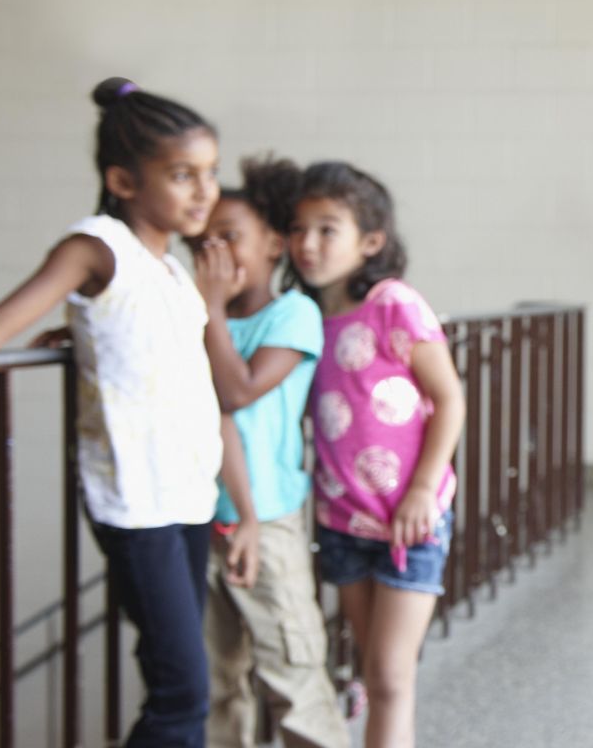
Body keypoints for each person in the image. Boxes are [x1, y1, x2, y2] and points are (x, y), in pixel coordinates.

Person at [0, 78, 255, 748]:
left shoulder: (176, 272)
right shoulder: (98, 245)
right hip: (136, 501)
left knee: (182, 677)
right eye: (182, 175)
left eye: (210, 174)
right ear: (123, 180)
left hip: (185, 494)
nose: (204, 191)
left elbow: (171, 364)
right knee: (182, 693)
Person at [288, 161, 464, 748]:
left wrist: (422, 489)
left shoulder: (394, 303)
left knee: (390, 676)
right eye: (299, 228)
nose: (307, 244)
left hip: (409, 519)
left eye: (327, 229)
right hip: (342, 520)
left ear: (370, 241)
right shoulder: (306, 317)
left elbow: (449, 398)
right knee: (372, 669)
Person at [192, 156, 349, 748]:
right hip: (200, 518)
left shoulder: (293, 313)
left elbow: (237, 390)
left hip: (267, 520)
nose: (214, 254)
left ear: (274, 246)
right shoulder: (198, 318)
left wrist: (209, 308)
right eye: (203, 241)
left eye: (229, 237)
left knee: (294, 679)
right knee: (217, 687)